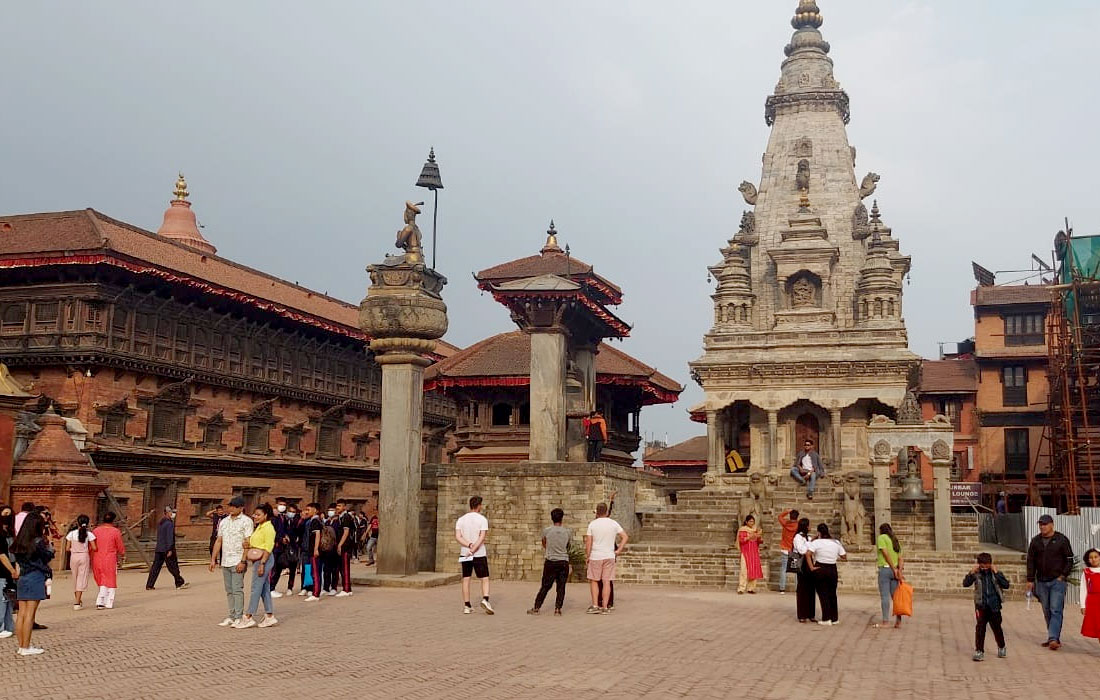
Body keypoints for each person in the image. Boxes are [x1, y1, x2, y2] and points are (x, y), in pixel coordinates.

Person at [1025, 513, 1074, 650]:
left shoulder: (1061, 539)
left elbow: (1069, 559)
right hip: (1041, 581)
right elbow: (1031, 561)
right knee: (1047, 610)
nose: (1042, 527)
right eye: (1040, 524)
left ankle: (1053, 638)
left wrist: (1063, 576)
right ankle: (1053, 636)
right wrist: (1030, 579)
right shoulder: (1035, 541)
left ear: (1052, 525)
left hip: (1057, 581)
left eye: (1045, 524)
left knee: (1055, 609)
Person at [11, 511, 52, 656]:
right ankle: (26, 646)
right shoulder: (38, 542)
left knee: (21, 613)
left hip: (23, 576)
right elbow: (47, 556)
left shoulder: (19, 541)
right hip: (35, 576)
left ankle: (21, 645)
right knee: (30, 614)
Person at [209, 496, 254, 627]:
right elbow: (219, 540)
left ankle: (239, 616)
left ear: (241, 508)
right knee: (229, 590)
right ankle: (232, 615)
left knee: (237, 589)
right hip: (226, 560)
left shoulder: (246, 521)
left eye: (234, 506)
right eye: (230, 506)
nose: (231, 509)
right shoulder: (224, 522)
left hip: (238, 559)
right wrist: (213, 559)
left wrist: (243, 561)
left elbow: (248, 542)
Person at [963, 552, 1010, 661]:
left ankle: (1001, 646)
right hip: (981, 605)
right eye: (982, 565)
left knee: (997, 628)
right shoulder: (976, 574)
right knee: (980, 628)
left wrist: (997, 572)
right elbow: (965, 583)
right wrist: (971, 572)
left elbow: (1006, 585)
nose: (985, 567)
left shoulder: (995, 573)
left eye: (987, 564)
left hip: (994, 605)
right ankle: (979, 651)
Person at [236, 503, 277, 629]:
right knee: (264, 588)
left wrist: (262, 564)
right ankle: (269, 615)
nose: (255, 516)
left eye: (258, 515)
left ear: (266, 515)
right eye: (255, 514)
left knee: (256, 588)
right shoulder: (260, 527)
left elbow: (268, 547)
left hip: (264, 559)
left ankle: (248, 616)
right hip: (257, 559)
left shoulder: (268, 528)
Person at [585, 502, 627, 615]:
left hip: (596, 555)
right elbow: (625, 536)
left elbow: (589, 542)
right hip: (609, 555)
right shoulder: (613, 523)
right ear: (607, 511)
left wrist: (588, 556)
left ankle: (595, 605)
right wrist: (618, 550)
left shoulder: (592, 524)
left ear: (597, 512)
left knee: (594, 580)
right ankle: (605, 606)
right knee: (606, 581)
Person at [527, 508, 571, 616]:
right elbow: (568, 546)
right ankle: (558, 609)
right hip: (563, 561)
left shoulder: (547, 531)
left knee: (545, 586)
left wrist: (550, 549)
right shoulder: (567, 532)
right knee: (561, 587)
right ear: (562, 518)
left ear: (552, 518)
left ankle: (537, 607)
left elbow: (544, 543)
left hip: (551, 561)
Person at [455, 495, 493, 614]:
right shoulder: (482, 520)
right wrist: (474, 548)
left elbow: (458, 536)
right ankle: (485, 599)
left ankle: (467, 605)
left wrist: (469, 545)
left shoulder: (461, 519)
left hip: (465, 553)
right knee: (484, 578)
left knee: (466, 578)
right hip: (479, 553)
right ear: (479, 506)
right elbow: (481, 537)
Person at [805, 523, 846, 626]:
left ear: (819, 532)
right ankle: (834, 618)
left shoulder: (817, 543)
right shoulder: (836, 542)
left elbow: (808, 554)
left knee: (823, 594)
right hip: (832, 568)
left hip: (821, 568)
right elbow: (844, 556)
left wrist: (811, 567)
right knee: (832, 594)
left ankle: (826, 618)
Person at [145, 505, 187, 591]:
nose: (173, 514)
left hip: (159, 548)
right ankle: (179, 582)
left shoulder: (161, 523)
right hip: (167, 548)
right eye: (172, 512)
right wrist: (170, 549)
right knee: (173, 566)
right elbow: (169, 537)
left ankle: (149, 584)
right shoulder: (169, 523)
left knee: (155, 567)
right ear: (167, 513)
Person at [91, 512, 126, 610]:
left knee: (100, 578)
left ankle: (101, 600)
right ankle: (105, 601)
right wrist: (122, 554)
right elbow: (120, 546)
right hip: (110, 558)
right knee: (110, 579)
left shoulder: (96, 531)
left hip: (97, 558)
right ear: (113, 520)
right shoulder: (115, 531)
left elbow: (91, 545)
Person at [64, 514, 97, 610]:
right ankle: (77, 602)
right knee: (81, 578)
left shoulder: (71, 534)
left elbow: (67, 548)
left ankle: (77, 599)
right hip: (84, 556)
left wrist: (74, 549)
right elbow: (94, 548)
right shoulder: (89, 534)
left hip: (74, 556)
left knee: (75, 577)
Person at [874, 523, 903, 629]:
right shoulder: (895, 540)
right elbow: (900, 558)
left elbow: (885, 554)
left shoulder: (882, 538)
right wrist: (898, 570)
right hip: (895, 570)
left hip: (886, 569)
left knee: (885, 596)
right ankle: (898, 620)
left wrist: (892, 568)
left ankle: (885, 621)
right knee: (895, 596)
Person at [270, 502, 301, 597]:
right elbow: (274, 532)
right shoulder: (278, 519)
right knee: (276, 568)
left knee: (292, 567)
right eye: (290, 511)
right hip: (280, 548)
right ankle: (271, 587)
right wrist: (281, 539)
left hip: (292, 547)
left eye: (293, 512)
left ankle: (289, 588)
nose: (291, 513)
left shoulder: (296, 521)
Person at [792, 517, 815, 622]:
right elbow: (802, 550)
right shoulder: (798, 537)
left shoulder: (808, 537)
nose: (810, 527)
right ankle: (802, 614)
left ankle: (811, 613)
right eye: (809, 525)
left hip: (810, 561)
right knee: (802, 588)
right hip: (802, 563)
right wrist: (810, 546)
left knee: (811, 588)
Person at [301, 502, 325, 601]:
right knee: (313, 571)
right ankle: (315, 591)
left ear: (315, 510)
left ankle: (316, 593)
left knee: (315, 572)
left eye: (309, 510)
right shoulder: (311, 521)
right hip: (310, 549)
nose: (307, 512)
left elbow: (317, 535)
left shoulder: (315, 521)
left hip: (314, 550)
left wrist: (315, 549)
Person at [0, 506, 17, 638]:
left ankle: (8, 626)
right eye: (5, 514)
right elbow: (1, 554)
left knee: (9, 598)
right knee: (1, 600)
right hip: (2, 570)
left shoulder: (11, 533)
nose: (7, 516)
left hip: (11, 568)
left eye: (9, 514)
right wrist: (11, 570)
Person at [736, 515, 763, 594]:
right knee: (743, 570)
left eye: (753, 521)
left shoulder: (755, 530)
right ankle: (741, 588)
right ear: (746, 522)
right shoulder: (743, 530)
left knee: (753, 569)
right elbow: (741, 540)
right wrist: (750, 536)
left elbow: (759, 542)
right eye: (750, 521)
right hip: (745, 552)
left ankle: (751, 588)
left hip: (754, 552)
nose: (752, 523)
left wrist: (759, 537)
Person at [335, 499, 356, 597]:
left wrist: (340, 544)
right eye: (337, 506)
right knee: (341, 567)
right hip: (342, 544)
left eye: (339, 506)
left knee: (345, 568)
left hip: (345, 546)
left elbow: (346, 532)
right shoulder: (340, 517)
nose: (337, 508)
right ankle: (347, 588)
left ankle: (346, 589)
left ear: (344, 507)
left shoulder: (346, 517)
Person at [1079, 548, 1100, 645]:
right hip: (1093, 603)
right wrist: (1083, 605)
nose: (1094, 559)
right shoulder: (1086, 572)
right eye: (1091, 558)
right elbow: (1083, 589)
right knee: (1097, 626)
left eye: (1096, 557)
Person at [777, 509, 799, 595]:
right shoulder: (798, 525)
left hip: (784, 548)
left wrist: (787, 511)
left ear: (790, 516)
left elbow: (779, 516)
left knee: (783, 569)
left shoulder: (785, 523)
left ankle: (782, 588)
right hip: (794, 549)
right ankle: (798, 588)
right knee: (797, 570)